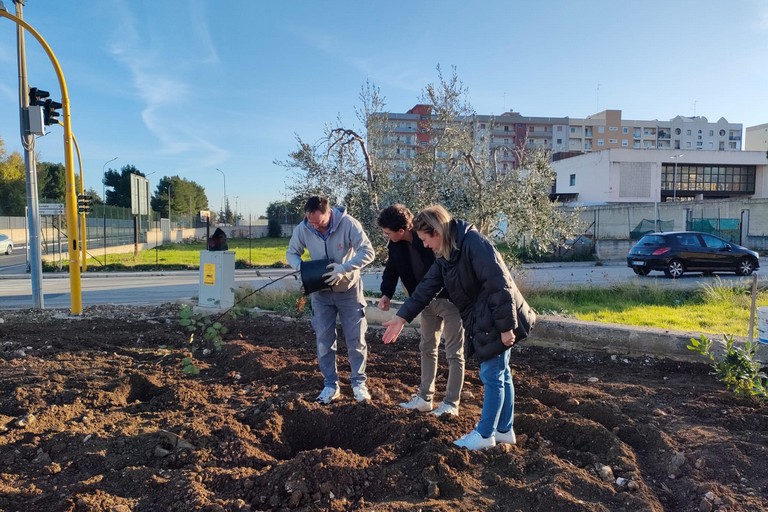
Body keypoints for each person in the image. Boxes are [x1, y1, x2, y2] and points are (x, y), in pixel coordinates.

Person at [382, 204, 536, 450]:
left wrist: (507, 327)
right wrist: (401, 317)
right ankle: (504, 430)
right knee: (502, 374)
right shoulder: (447, 254)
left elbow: (500, 283)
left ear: (437, 232)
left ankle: (485, 434)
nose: (423, 245)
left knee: (492, 375)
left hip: (498, 315)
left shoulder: (473, 244)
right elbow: (426, 288)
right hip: (488, 315)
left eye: (424, 239)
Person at [377, 204, 465, 417]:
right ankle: (425, 398)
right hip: (422, 300)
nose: (386, 236)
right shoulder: (395, 245)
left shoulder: (429, 238)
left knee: (454, 352)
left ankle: (451, 403)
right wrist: (386, 293)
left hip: (450, 301)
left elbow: (444, 270)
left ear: (401, 231)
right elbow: (392, 269)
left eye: (388, 232)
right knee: (427, 347)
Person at [287, 196, 375, 404]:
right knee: (324, 339)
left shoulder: (348, 224)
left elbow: (368, 251)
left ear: (330, 214)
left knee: (356, 339)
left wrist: (343, 269)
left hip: (349, 291)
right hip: (321, 294)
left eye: (319, 222)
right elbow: (292, 253)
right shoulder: (304, 228)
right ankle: (330, 384)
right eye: (311, 222)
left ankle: (358, 383)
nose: (315, 226)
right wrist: (304, 269)